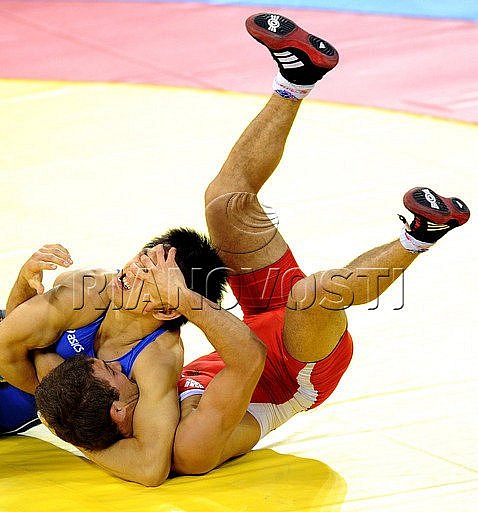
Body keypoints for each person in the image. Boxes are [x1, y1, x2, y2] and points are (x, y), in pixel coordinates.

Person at [33, 12, 470, 484]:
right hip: (294, 368)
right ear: (119, 411)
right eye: (112, 373)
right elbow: (249, 359)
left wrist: (28, 284)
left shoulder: (113, 396)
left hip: (254, 319)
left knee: (223, 201)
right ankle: (421, 234)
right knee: (313, 293)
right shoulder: (189, 445)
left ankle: (297, 78)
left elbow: (32, 358)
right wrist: (183, 298)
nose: (114, 366)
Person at [0, 229, 259, 486]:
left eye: (149, 277)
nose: (132, 271)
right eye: (142, 258)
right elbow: (5, 342)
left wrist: (64, 421)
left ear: (168, 309)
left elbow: (150, 467)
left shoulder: (158, 359)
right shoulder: (87, 290)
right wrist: (24, 282)